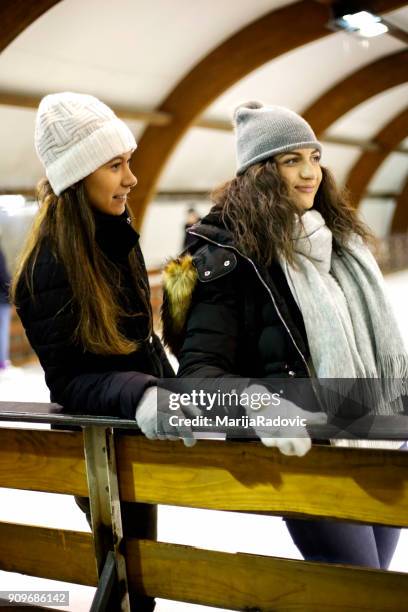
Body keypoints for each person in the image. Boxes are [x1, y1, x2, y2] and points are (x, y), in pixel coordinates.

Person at [161, 101, 407, 569]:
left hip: (378, 438)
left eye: (314, 157)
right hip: (311, 453)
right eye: (291, 160)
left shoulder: (339, 244)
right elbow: (194, 378)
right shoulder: (230, 259)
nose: (309, 172)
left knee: (377, 585)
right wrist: (260, 404)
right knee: (361, 588)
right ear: (259, 173)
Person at [11, 92, 197, 611]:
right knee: (131, 576)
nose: (131, 178)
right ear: (77, 176)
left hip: (141, 425)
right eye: (115, 166)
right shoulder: (47, 266)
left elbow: (140, 339)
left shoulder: (116, 236)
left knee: (142, 573)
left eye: (129, 163)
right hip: (100, 442)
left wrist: (174, 381)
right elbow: (71, 379)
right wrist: (144, 394)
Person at [0, 234, 11, 371]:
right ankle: (2, 361)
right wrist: (11, 291)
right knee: (2, 331)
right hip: (1, 300)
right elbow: (3, 276)